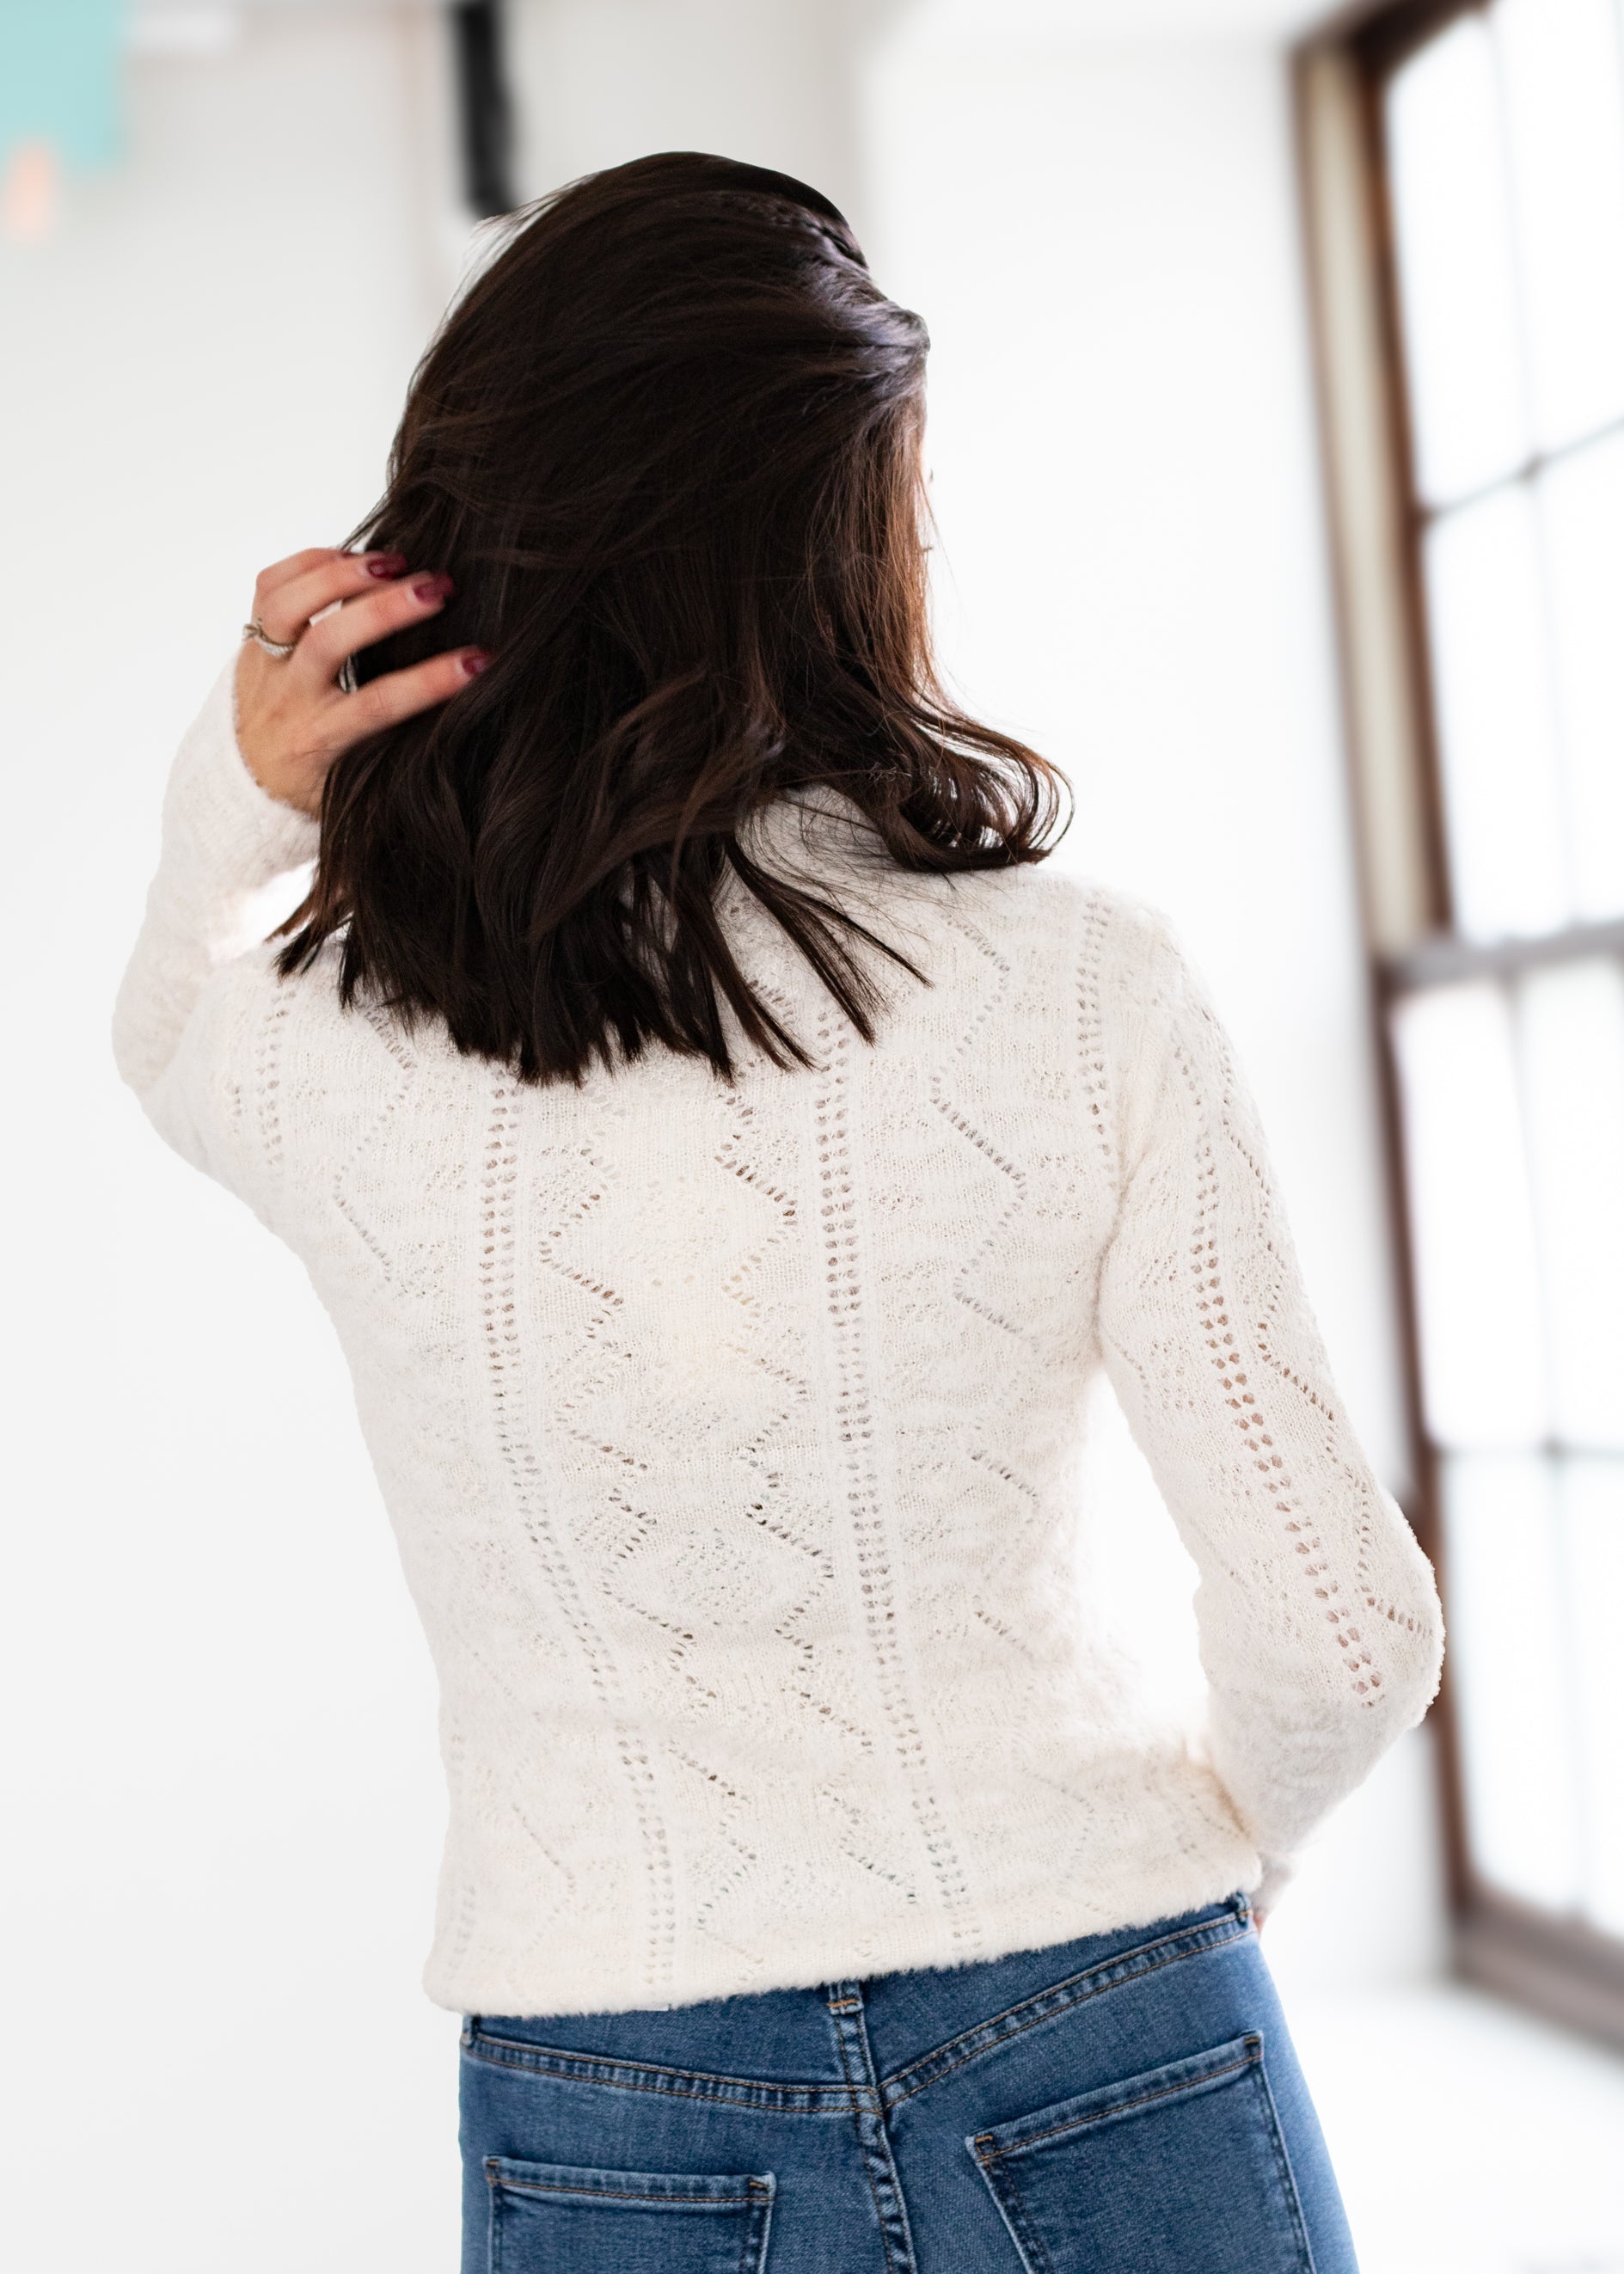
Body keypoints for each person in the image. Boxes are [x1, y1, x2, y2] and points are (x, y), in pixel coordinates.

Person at [113, 150, 1443, 2274]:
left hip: (606, 2076)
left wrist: (247, 772)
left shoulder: (320, 1044)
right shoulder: (1086, 986)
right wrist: (1185, 1865)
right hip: (1108, 2001)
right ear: (847, 550)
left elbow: (164, 1019)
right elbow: (1345, 1629)